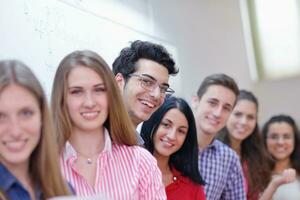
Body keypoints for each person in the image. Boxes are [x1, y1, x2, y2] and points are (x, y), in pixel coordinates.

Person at [51, 50, 166, 199]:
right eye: (76, 92)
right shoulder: (42, 163)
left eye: (99, 90)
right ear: (62, 99)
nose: (90, 102)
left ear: (110, 95)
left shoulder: (142, 163)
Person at [0, 60, 71, 200]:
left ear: (42, 117)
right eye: (0, 116)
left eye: (26, 113)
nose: (15, 131)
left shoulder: (63, 189)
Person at [218, 90, 294, 200]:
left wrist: (274, 184)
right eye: (238, 114)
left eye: (250, 117)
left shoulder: (251, 158)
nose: (244, 122)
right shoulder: (214, 152)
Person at [191, 73, 246, 200]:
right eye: (212, 103)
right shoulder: (170, 142)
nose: (218, 113)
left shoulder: (229, 159)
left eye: (226, 108)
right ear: (195, 101)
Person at [112, 40, 178, 144]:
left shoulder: (140, 151)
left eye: (163, 89)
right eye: (147, 82)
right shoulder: (91, 134)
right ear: (119, 82)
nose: (156, 95)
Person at [141, 96, 206, 199]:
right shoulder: (130, 170)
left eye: (181, 131)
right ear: (152, 123)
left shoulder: (193, 187)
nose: (172, 136)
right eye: (166, 125)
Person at [262, 114, 300, 200]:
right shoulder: (253, 173)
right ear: (265, 140)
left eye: (286, 136)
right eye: (274, 137)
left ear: (295, 140)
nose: (280, 142)